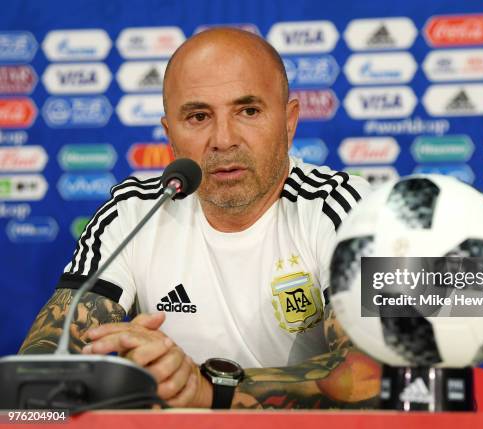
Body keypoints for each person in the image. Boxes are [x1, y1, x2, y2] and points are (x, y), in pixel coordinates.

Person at [19, 27, 380, 409]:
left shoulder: (351, 209)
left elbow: (372, 376)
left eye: (249, 111)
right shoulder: (133, 213)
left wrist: (209, 388)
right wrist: (121, 378)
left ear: (289, 122)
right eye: (198, 117)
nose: (223, 139)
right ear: (169, 135)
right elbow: (40, 366)